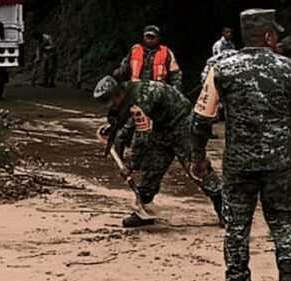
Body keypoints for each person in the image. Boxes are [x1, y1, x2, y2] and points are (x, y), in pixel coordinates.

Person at [191, 8, 291, 281]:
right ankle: (287, 274)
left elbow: (201, 117)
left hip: (239, 163)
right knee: (281, 218)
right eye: (275, 35)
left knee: (237, 227)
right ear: (268, 36)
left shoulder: (221, 68)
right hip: (279, 161)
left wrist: (197, 156)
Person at [93, 75, 223, 228]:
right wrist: (113, 132)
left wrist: (129, 165)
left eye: (112, 103)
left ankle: (225, 210)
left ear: (119, 94)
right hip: (161, 127)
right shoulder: (128, 93)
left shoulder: (142, 97)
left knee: (196, 169)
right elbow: (129, 123)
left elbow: (141, 136)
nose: (112, 107)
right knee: (153, 168)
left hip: (182, 124)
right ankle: (143, 210)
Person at [113, 25, 182, 91]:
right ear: (143, 37)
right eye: (147, 37)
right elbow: (125, 68)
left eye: (153, 37)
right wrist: (119, 72)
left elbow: (175, 75)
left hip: (157, 91)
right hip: (135, 89)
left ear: (158, 38)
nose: (150, 40)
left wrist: (176, 90)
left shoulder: (166, 52)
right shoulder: (135, 50)